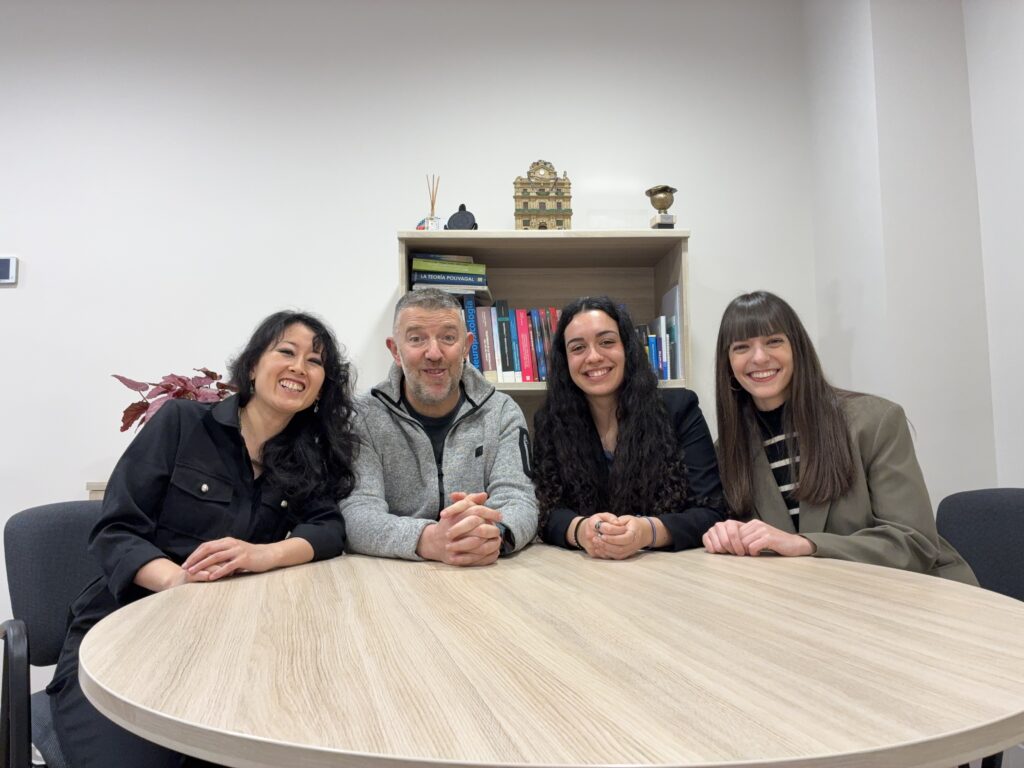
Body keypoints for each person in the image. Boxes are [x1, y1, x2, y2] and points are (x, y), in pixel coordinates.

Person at [48, 311, 356, 768]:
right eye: (286, 352)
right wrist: (178, 583)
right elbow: (116, 529)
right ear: (253, 365)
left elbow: (328, 528)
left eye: (315, 362)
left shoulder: (306, 456)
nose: (299, 367)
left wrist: (264, 554)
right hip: (127, 628)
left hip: (224, 645)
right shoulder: (181, 422)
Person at [703, 290, 976, 584]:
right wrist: (726, 534)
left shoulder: (875, 421)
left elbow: (914, 542)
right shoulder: (728, 452)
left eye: (774, 341)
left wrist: (807, 544)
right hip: (820, 595)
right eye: (742, 347)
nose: (759, 357)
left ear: (797, 348)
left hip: (917, 590)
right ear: (728, 363)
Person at [341, 288, 537, 565]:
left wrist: (493, 534)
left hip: (485, 570)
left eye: (448, 338)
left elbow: (520, 499)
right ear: (395, 350)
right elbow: (356, 513)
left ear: (466, 346)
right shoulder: (363, 417)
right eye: (416, 339)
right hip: (393, 574)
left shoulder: (503, 411)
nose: (434, 353)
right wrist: (427, 539)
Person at [533, 296, 726, 558]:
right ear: (564, 361)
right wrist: (581, 531)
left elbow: (711, 512)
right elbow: (546, 512)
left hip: (670, 569)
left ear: (628, 348)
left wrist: (648, 531)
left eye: (607, 342)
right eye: (578, 348)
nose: (593, 357)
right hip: (585, 570)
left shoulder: (680, 409)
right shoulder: (549, 422)